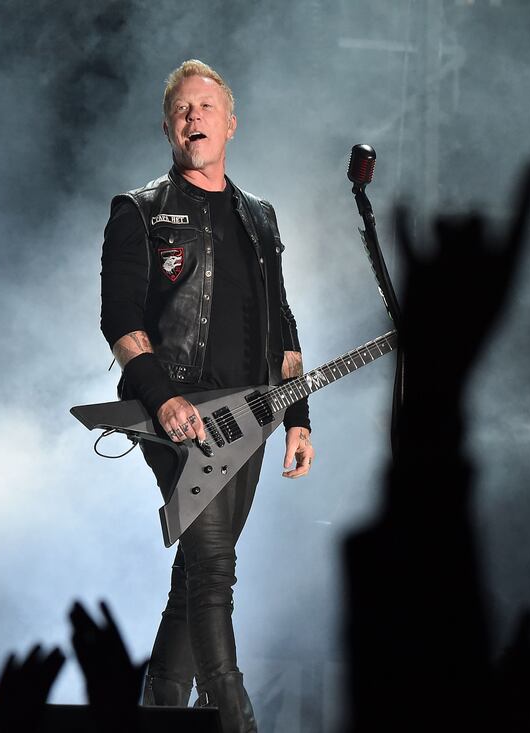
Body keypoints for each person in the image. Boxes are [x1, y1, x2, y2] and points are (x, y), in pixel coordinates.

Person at [100, 59, 315, 733]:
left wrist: (298, 416)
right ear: (168, 126)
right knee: (216, 569)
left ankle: (159, 712)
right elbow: (121, 320)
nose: (195, 116)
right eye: (183, 108)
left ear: (230, 124)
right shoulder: (138, 210)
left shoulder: (259, 217)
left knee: (192, 581)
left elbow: (282, 322)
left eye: (206, 106)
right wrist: (163, 399)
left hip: (248, 418)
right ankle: (233, 715)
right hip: (173, 418)